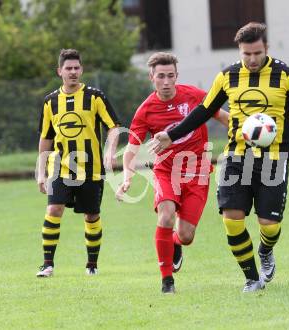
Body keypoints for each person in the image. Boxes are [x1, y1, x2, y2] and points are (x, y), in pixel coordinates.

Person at [152, 22, 289, 292]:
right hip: (236, 158)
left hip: (274, 159)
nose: (251, 59)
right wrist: (172, 134)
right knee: (232, 218)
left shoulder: (286, 75)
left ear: (266, 48)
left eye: (257, 53)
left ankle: (265, 251)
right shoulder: (227, 77)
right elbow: (204, 110)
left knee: (269, 225)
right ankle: (252, 278)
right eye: (246, 54)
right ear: (239, 51)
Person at [116, 52, 228, 294]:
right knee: (166, 216)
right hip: (166, 172)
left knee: (186, 235)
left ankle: (175, 243)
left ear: (176, 76)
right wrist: (127, 176)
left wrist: (247, 129)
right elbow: (131, 149)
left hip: (197, 172)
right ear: (151, 77)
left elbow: (221, 115)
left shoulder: (194, 95)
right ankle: (167, 281)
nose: (166, 82)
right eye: (160, 76)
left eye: (170, 76)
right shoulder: (146, 110)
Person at [36, 49, 119, 277]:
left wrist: (110, 151)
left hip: (91, 169)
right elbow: (46, 138)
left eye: (76, 68)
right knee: (53, 209)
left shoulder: (95, 97)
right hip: (60, 167)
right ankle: (47, 264)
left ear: (81, 70)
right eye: (68, 68)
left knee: (91, 215)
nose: (73, 72)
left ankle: (92, 265)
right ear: (59, 71)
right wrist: (41, 172)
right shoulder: (50, 102)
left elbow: (113, 127)